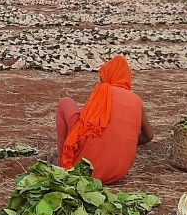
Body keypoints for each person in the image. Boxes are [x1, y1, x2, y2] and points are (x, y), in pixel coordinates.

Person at [57, 54, 154, 184]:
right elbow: (149, 136)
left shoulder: (102, 90)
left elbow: (83, 129)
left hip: (85, 170)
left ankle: (62, 163)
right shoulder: (137, 101)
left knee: (66, 103)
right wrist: (123, 143)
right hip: (117, 174)